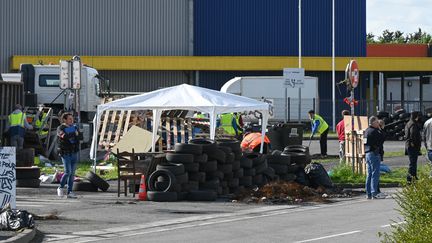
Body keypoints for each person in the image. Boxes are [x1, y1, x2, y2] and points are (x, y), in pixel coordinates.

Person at [57, 113, 81, 199]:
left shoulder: (74, 127)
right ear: (65, 120)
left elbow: (80, 137)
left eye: (72, 119)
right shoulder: (60, 128)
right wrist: (74, 133)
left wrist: (75, 134)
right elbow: (64, 136)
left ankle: (70, 191)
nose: (72, 120)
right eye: (70, 119)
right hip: (65, 153)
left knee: (72, 174)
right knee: (68, 172)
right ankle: (60, 187)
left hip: (74, 152)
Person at [364, 116, 386, 199]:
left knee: (369, 174)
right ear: (373, 123)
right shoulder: (375, 131)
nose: (378, 124)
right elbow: (382, 139)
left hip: (367, 153)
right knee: (375, 174)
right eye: (377, 122)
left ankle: (368, 193)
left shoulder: (366, 131)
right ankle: (374, 192)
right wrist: (382, 129)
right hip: (374, 153)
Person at [404, 111, 422, 183]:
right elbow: (413, 135)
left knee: (413, 162)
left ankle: (413, 176)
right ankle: (410, 178)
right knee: (413, 163)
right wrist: (415, 144)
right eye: (418, 116)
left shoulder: (408, 123)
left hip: (409, 146)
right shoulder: (413, 125)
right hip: (412, 146)